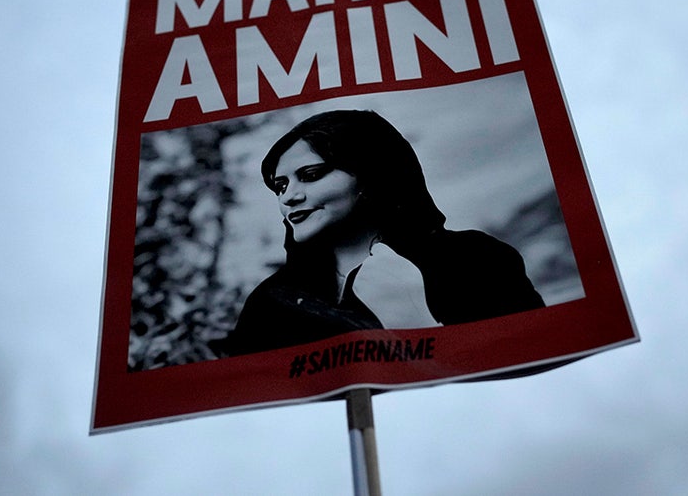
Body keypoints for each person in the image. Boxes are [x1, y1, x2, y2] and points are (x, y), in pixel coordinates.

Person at [219, 109, 544, 356]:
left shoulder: (478, 258)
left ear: (371, 173)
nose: (289, 196)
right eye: (280, 185)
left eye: (311, 174)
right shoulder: (274, 304)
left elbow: (531, 358)